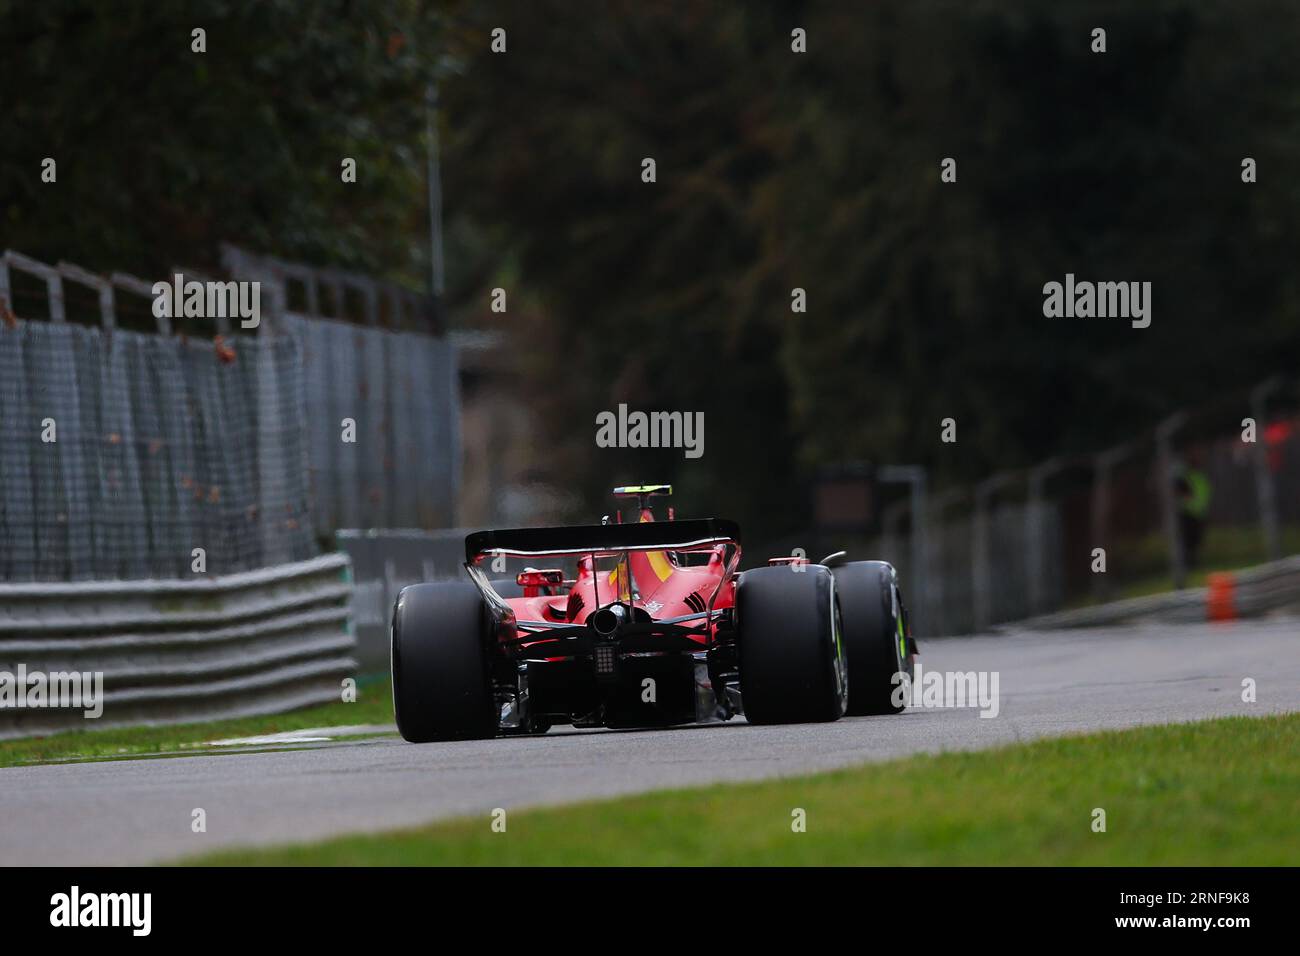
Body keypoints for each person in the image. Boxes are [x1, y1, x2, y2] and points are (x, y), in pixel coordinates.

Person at [1174, 450, 1212, 570]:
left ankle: (1194, 563)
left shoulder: (1199, 476)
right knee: (1188, 542)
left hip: (1198, 513)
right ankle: (1188, 565)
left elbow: (1205, 493)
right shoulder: (1186, 477)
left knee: (1197, 541)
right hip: (1188, 513)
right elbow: (1184, 494)